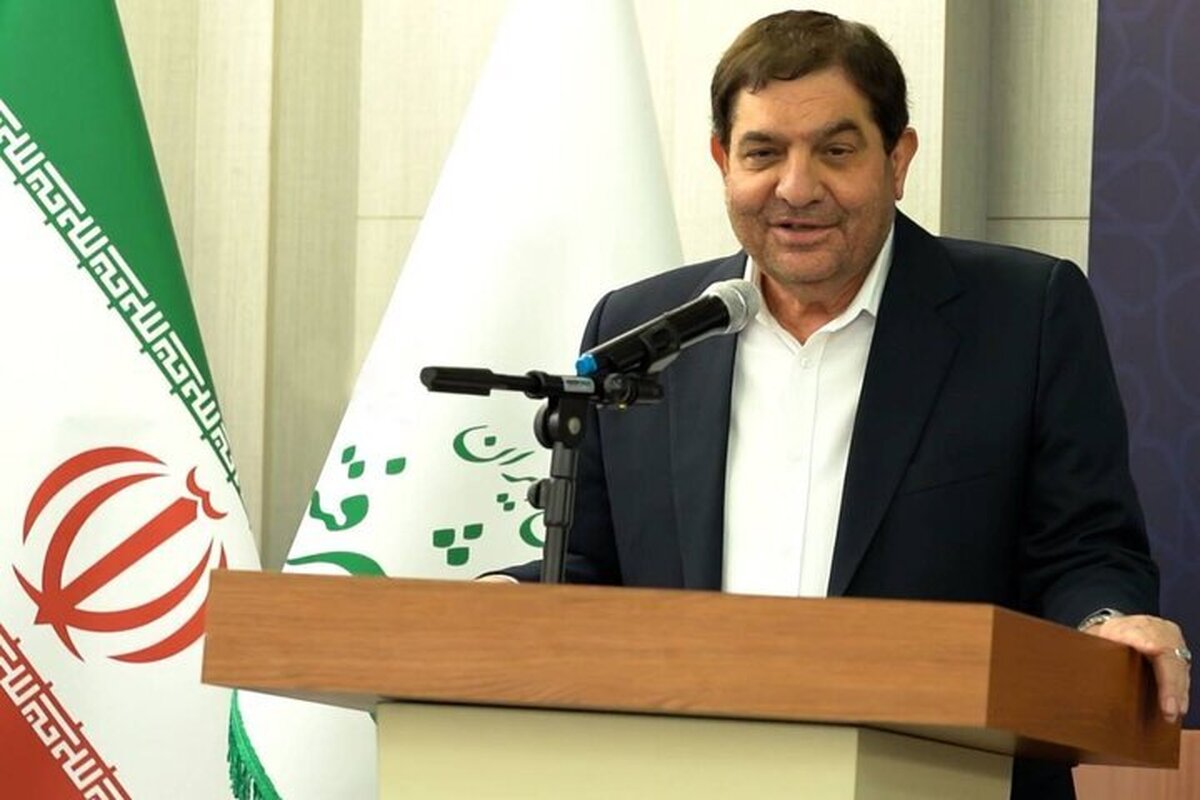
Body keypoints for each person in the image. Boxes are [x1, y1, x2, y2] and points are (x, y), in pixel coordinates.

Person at [486, 10, 1190, 799]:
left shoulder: (1025, 314)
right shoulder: (642, 329)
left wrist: (1105, 626)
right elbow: (593, 565)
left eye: (835, 150)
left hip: (945, 778)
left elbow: (1083, 549)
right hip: (689, 773)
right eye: (763, 152)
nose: (796, 188)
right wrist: (499, 603)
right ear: (722, 160)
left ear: (898, 158)